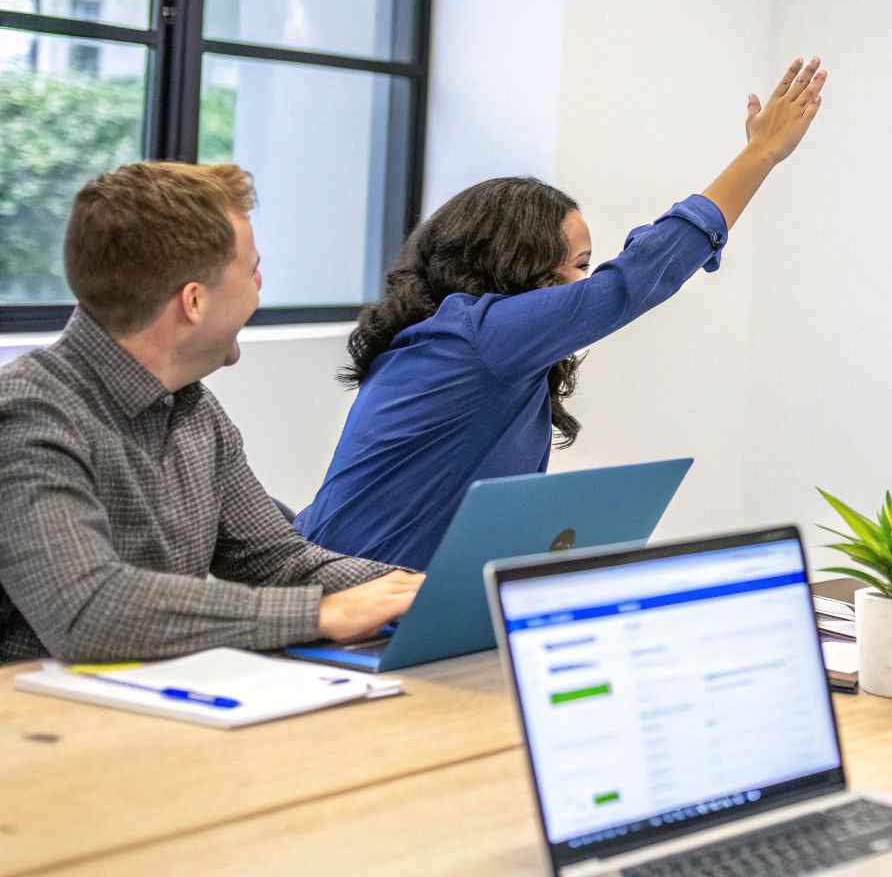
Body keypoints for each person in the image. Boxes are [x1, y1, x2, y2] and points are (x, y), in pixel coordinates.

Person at [300, 57, 828, 570]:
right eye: (577, 266)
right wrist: (760, 153)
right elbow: (632, 282)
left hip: (386, 598)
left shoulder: (481, 346)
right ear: (517, 263)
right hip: (343, 602)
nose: (584, 285)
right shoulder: (477, 337)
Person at [0, 162, 422, 664]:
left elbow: (276, 560)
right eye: (251, 270)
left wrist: (416, 590)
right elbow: (87, 611)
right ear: (194, 301)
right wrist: (319, 615)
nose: (261, 285)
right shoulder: (29, 413)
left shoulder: (194, 409)